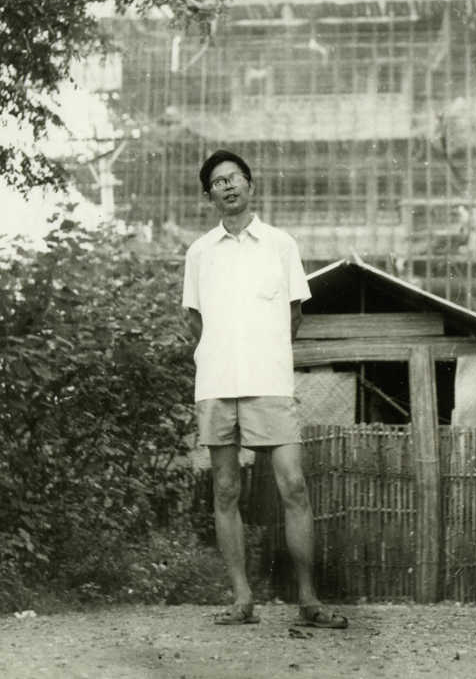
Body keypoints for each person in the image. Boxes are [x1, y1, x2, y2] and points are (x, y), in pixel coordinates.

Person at [182, 149, 347, 629]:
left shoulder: (280, 244)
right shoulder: (199, 253)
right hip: (216, 382)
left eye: (235, 178)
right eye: (218, 182)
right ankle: (241, 599)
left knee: (293, 485)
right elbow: (193, 320)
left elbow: (293, 315)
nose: (228, 186)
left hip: (270, 381)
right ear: (209, 195)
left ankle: (309, 600)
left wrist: (262, 355)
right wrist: (222, 354)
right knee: (226, 489)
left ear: (251, 186)